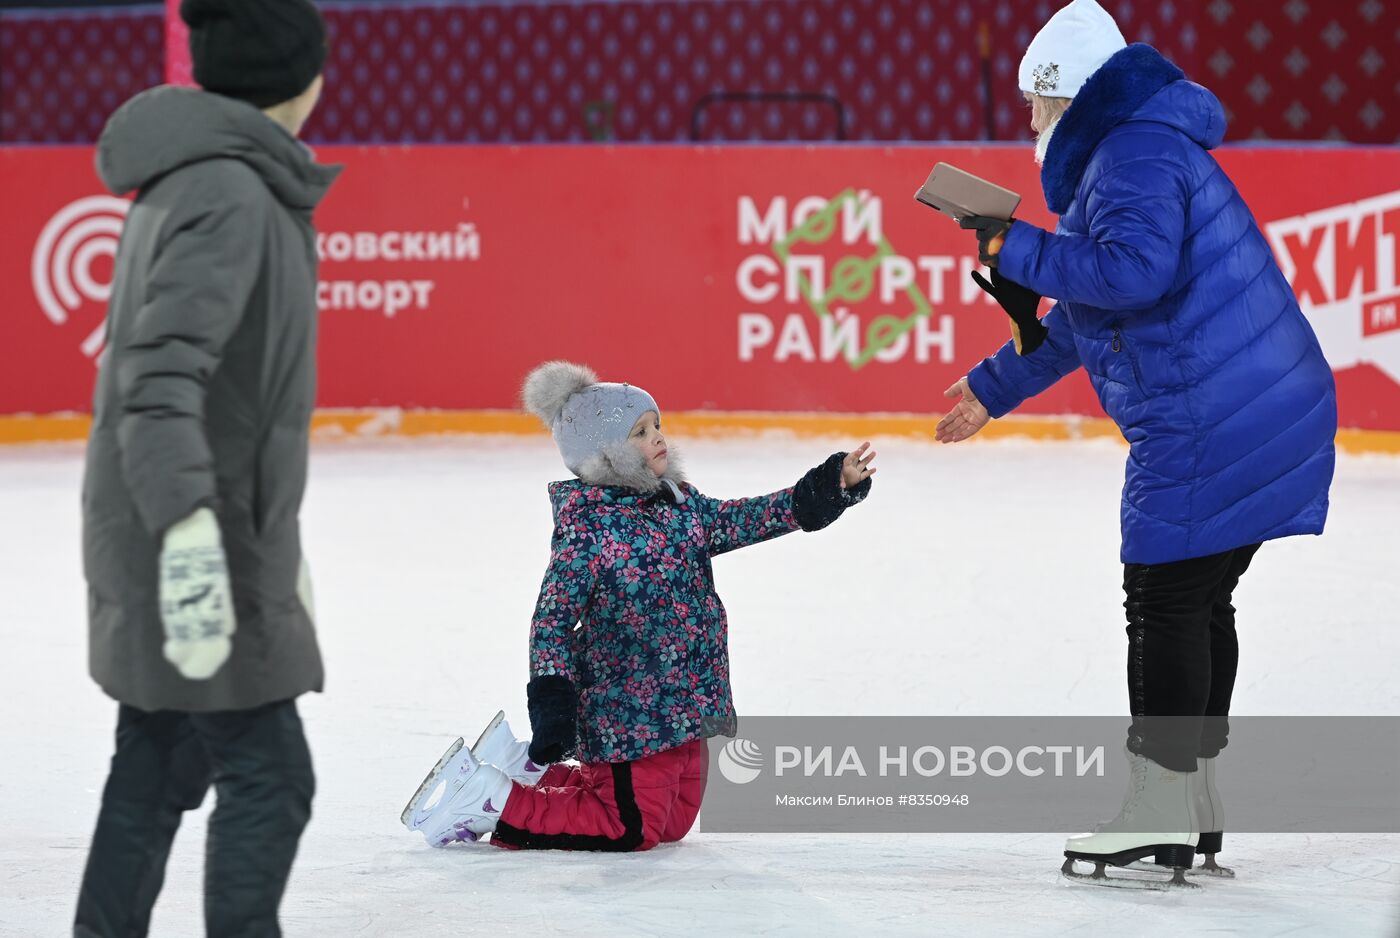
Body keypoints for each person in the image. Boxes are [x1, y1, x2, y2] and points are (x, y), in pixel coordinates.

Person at [938, 0, 1337, 881]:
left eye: (1039, 104)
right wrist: (992, 387)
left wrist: (1014, 246)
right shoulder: (1136, 150)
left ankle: (1159, 801)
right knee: (1197, 598)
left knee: (1161, 594)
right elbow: (1097, 314)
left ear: (1070, 96)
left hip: (1216, 414)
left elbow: (1132, 272)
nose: (1032, 124)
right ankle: (1190, 798)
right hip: (1258, 403)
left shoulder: (1133, 154)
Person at [75, 1, 339, 934]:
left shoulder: (206, 176)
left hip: (211, 525)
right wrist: (190, 538)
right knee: (272, 780)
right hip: (199, 542)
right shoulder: (228, 189)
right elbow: (156, 380)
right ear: (305, 79)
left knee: (156, 765)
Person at [401, 361, 875, 851]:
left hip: (688, 702)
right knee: (630, 826)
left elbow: (747, 519)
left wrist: (829, 487)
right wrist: (552, 700)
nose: (658, 438)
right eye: (641, 432)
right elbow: (553, 619)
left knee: (673, 823)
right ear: (605, 454)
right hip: (628, 711)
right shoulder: (589, 530)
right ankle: (493, 799)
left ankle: (531, 775)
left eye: (657, 425)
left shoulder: (682, 506)